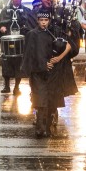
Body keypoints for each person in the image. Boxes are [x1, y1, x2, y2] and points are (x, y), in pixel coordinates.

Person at [21, 8, 72, 138]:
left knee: (50, 100)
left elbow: (67, 46)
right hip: (38, 73)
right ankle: (39, 127)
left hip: (52, 73)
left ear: (49, 21)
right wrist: (41, 65)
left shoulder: (52, 33)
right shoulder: (32, 35)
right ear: (37, 21)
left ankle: (47, 127)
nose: (44, 23)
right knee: (40, 100)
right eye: (41, 20)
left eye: (46, 20)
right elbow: (29, 55)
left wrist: (58, 59)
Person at [0, 0, 34, 95]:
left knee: (19, 64)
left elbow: (30, 24)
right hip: (8, 43)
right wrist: (2, 27)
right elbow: (0, 23)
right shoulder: (5, 10)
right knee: (6, 63)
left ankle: (17, 87)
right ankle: (6, 85)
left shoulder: (26, 11)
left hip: (21, 43)